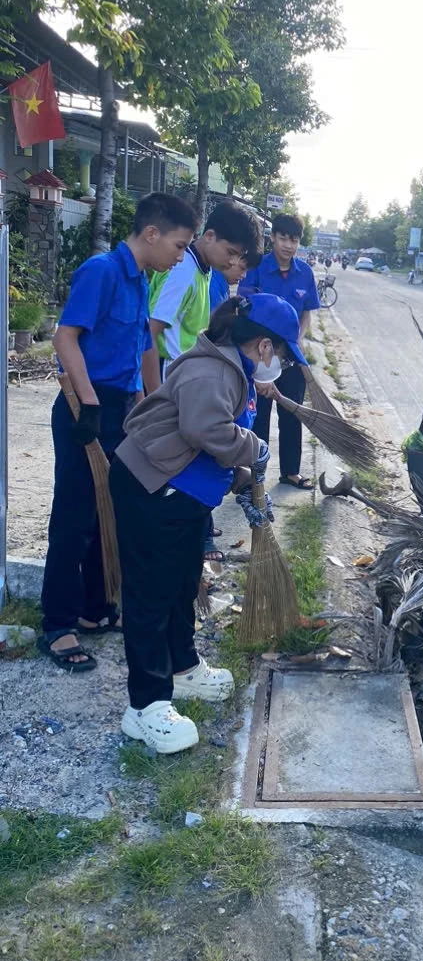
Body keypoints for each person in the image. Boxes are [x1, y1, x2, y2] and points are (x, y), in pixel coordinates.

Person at [110, 294, 309, 753]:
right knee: (150, 595)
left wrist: (241, 479)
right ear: (264, 346)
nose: (280, 365)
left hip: (181, 493)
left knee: (182, 585)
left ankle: (182, 669)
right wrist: (256, 449)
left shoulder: (232, 370)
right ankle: (144, 707)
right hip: (151, 488)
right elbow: (206, 430)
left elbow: (202, 446)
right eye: (282, 356)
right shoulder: (212, 370)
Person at [38, 192, 198, 673]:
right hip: (86, 408)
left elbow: (143, 345)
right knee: (73, 518)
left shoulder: (140, 280)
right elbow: (64, 337)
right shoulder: (102, 271)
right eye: (178, 245)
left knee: (105, 513)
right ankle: (58, 624)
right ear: (151, 233)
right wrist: (88, 404)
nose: (180, 257)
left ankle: (94, 609)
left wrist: (153, 404)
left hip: (121, 409)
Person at [239, 214, 320, 489]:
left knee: (292, 413)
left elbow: (307, 312)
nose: (288, 245)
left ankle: (290, 472)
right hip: (260, 357)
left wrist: (296, 339)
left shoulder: (305, 273)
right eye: (283, 238)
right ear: (272, 237)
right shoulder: (257, 268)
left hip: (291, 357)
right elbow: (245, 309)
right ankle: (254, 474)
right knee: (258, 415)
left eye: (294, 240)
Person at [148, 202, 262, 372]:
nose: (233, 262)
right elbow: (150, 332)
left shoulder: (203, 268)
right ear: (209, 236)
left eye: (239, 256)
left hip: (183, 369)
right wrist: (155, 388)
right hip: (167, 370)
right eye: (231, 252)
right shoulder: (183, 271)